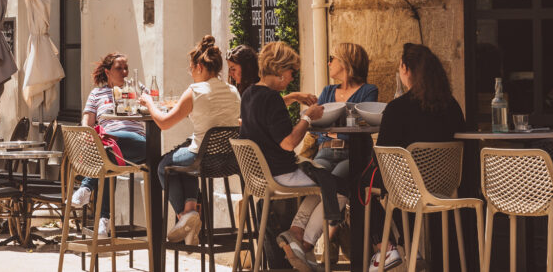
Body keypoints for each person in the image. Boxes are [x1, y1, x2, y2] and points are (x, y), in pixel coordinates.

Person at [367, 43, 466, 272]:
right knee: (405, 183)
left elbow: (383, 156)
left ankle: (389, 248)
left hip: (409, 191)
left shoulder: (396, 108)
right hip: (447, 188)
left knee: (362, 183)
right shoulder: (451, 105)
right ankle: (408, 249)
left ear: (405, 68)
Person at [281, 42, 379, 265]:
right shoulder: (328, 91)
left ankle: (305, 243)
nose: (329, 62)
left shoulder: (368, 90)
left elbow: (363, 122)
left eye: (332, 58)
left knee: (337, 186)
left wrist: (333, 121)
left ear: (345, 62)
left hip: (352, 153)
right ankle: (297, 232)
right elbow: (317, 121)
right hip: (325, 151)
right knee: (318, 184)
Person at [141, 35, 241, 244]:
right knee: (185, 158)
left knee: (164, 166)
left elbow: (164, 123)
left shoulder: (194, 91)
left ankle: (183, 217)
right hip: (229, 160)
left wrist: (149, 102)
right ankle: (189, 210)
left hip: (202, 159)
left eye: (191, 69)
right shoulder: (233, 91)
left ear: (198, 67)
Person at [239, 41, 324, 270]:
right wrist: (308, 117)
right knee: (334, 184)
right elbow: (288, 143)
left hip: (259, 176)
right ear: (279, 70)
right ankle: (301, 243)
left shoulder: (249, 94)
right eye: (291, 72)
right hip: (281, 174)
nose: (292, 77)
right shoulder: (271, 99)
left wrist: (294, 97)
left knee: (325, 179)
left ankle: (296, 239)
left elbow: (265, 110)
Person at [69, 51, 147, 238]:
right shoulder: (97, 93)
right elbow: (87, 123)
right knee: (107, 157)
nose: (124, 72)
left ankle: (86, 187)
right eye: (119, 68)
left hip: (135, 143)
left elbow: (152, 108)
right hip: (109, 147)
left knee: (107, 150)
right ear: (108, 72)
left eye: (126, 68)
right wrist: (87, 139)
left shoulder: (136, 88)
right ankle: (104, 221)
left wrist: (142, 98)